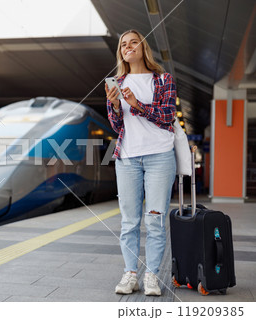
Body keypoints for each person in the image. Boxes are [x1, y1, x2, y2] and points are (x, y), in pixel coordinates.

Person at [104, 29, 177, 296]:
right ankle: (130, 274)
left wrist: (137, 104)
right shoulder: (117, 83)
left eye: (133, 42)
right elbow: (116, 126)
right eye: (123, 44)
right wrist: (114, 105)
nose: (128, 46)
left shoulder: (163, 79)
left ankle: (152, 275)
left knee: (155, 221)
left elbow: (167, 116)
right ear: (121, 51)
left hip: (159, 156)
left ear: (143, 47)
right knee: (129, 222)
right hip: (127, 158)